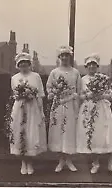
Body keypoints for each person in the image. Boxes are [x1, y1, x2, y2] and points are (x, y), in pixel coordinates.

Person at [76, 54, 112, 176]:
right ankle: (95, 163)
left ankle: (111, 164)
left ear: (97, 66)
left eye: (94, 65)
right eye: (89, 65)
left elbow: (110, 95)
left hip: (102, 108)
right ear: (86, 66)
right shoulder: (82, 80)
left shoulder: (103, 78)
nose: (92, 67)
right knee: (93, 135)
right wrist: (88, 96)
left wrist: (101, 95)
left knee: (106, 135)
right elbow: (80, 96)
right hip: (89, 109)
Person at [9, 52, 47, 175]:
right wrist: (22, 95)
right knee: (20, 132)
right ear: (18, 65)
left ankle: (30, 162)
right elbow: (14, 94)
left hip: (32, 108)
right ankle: (23, 162)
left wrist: (41, 111)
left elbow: (40, 94)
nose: (24, 66)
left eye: (26, 64)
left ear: (30, 64)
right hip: (20, 107)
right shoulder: (14, 78)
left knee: (31, 133)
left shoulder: (36, 76)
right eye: (21, 64)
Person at [46, 45, 82, 173]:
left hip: (71, 105)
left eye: (67, 55)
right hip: (58, 105)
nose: (65, 58)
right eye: (63, 55)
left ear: (70, 57)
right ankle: (61, 160)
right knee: (59, 130)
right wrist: (55, 93)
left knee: (69, 130)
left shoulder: (75, 72)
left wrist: (73, 98)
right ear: (59, 57)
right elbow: (49, 88)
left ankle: (69, 160)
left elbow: (79, 90)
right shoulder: (54, 72)